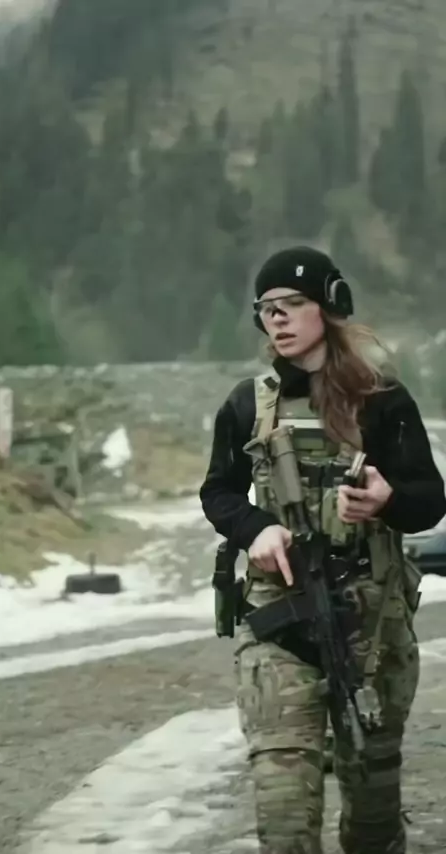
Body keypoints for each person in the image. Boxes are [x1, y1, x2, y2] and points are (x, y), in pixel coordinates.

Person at [199, 246, 446, 854]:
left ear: (329, 307)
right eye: (266, 309)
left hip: (370, 627)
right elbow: (218, 491)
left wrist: (386, 499)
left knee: (372, 817)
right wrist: (256, 528)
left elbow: (429, 498)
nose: (277, 319)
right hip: (280, 621)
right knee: (283, 809)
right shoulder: (248, 403)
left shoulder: (381, 399)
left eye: (291, 304)